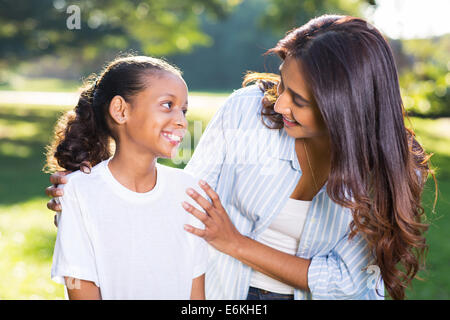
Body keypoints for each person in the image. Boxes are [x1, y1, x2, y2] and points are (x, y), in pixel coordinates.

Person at [46, 15, 434, 300]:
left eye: (299, 100)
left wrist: (235, 242)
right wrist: (95, 195)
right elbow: (186, 204)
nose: (279, 103)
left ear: (344, 107)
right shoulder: (249, 112)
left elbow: (346, 281)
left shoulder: (392, 170)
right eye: (283, 84)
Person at [45, 55, 208, 299]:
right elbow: (81, 288)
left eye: (184, 110)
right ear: (120, 110)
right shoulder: (78, 192)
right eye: (167, 105)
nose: (182, 121)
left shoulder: (190, 191)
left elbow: (197, 297)